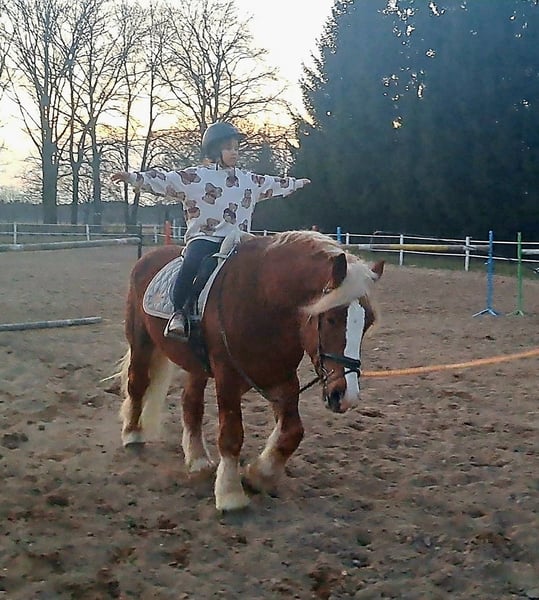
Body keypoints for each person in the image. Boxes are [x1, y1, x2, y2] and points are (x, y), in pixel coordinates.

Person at [112, 121, 311, 340]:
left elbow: (274, 183)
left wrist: (297, 184)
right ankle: (179, 312)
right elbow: (163, 180)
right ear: (215, 150)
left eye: (236, 148)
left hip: (240, 240)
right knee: (191, 263)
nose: (234, 152)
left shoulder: (248, 180)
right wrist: (132, 177)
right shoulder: (194, 178)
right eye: (228, 148)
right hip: (205, 238)